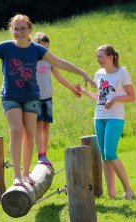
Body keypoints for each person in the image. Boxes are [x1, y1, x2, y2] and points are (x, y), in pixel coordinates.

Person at [0, 14, 95, 187]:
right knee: (16, 131)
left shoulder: (37, 49)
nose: (19, 32)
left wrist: (83, 73)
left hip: (31, 96)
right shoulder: (5, 47)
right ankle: (17, 175)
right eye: (16, 28)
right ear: (11, 30)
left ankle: (27, 173)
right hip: (10, 97)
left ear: (29, 30)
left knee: (29, 134)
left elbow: (59, 62)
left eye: (23, 28)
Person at [76, 45, 135, 200]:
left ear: (111, 57)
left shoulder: (122, 73)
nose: (98, 59)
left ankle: (128, 190)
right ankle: (111, 194)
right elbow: (99, 97)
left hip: (115, 117)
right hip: (99, 117)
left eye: (101, 56)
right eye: (97, 57)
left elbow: (131, 96)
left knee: (110, 153)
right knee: (104, 157)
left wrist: (115, 98)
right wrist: (84, 91)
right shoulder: (99, 74)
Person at [33, 32, 81, 166]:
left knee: (46, 125)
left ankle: (45, 154)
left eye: (46, 48)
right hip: (34, 98)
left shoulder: (50, 60)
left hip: (47, 96)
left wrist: (72, 89)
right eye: (42, 48)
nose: (44, 51)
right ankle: (40, 155)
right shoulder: (31, 59)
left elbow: (59, 78)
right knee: (38, 125)